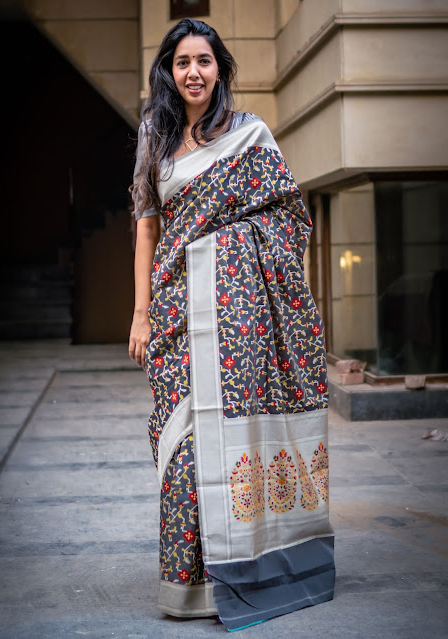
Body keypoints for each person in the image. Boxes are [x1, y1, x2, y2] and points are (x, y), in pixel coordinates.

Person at [128, 17, 335, 632]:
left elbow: (290, 220)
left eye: (204, 61)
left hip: (238, 317)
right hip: (172, 313)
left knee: (224, 443)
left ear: (221, 69)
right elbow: (146, 226)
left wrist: (228, 253)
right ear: (168, 70)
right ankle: (186, 585)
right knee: (179, 448)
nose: (193, 72)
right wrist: (140, 312)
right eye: (182, 62)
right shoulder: (155, 137)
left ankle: (246, 573)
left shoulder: (251, 136)